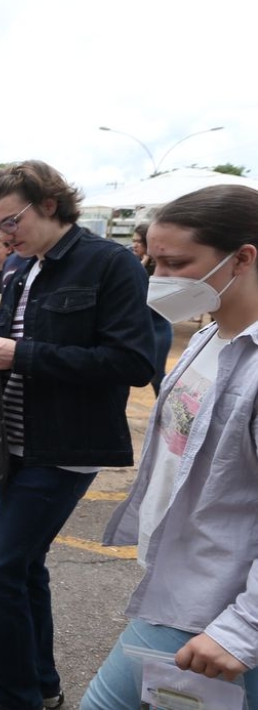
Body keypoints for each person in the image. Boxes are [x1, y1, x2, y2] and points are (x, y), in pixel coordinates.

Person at [0, 161, 154, 710]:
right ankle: (38, 681)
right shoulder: (23, 269)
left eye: (11, 222)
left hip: (65, 446)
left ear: (49, 205)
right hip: (16, 440)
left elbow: (133, 360)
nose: (2, 236)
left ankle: (17, 695)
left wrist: (21, 354)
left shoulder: (111, 264)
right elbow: (11, 336)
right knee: (25, 567)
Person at [81, 184, 258, 709]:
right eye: (152, 262)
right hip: (182, 580)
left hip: (215, 603)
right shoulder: (210, 337)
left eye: (176, 263)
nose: (158, 280)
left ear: (243, 258)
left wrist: (243, 629)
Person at [130, 223, 174, 395]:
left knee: (156, 375)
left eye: (139, 242)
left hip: (157, 326)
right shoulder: (129, 261)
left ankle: (162, 408)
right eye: (133, 241)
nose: (134, 245)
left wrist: (146, 261)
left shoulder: (159, 268)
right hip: (136, 328)